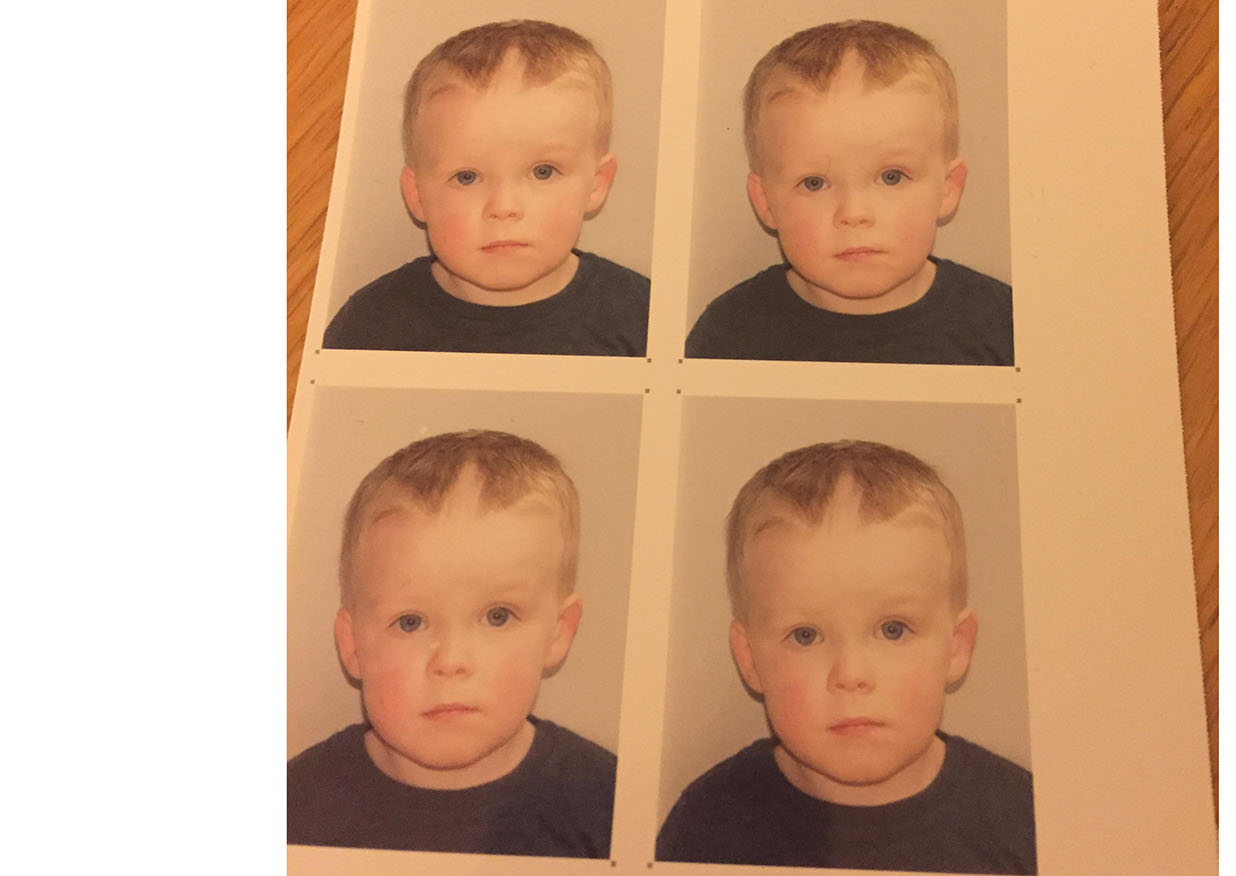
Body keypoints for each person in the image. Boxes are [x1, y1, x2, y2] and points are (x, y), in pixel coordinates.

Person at [657, 440, 1035, 872]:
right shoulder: (708, 823)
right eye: (806, 635)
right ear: (750, 659)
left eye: (893, 630)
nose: (851, 674)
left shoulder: (1023, 820)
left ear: (956, 647)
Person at [288, 430, 615, 857]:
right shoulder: (296, 804)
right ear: (352, 645)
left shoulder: (605, 802)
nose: (452, 661)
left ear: (558, 633)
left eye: (498, 616)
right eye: (410, 622)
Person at [685, 21, 1013, 365]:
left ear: (948, 189)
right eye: (814, 183)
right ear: (764, 200)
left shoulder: (1004, 327)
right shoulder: (729, 334)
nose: (854, 213)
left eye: (891, 177)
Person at [324, 21, 649, 355]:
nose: (504, 206)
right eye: (467, 177)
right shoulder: (370, 327)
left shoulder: (643, 320)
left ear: (596, 185)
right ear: (417, 195)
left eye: (542, 171)